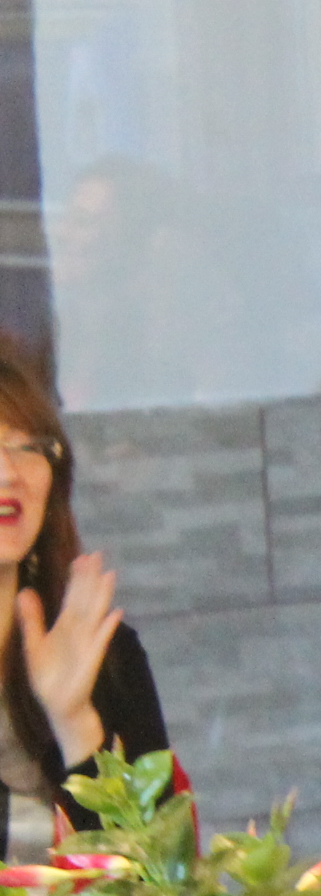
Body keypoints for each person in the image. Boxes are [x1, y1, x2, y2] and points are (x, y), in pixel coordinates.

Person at [0, 342, 167, 845]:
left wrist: (74, 723)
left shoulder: (105, 659)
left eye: (28, 446)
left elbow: (156, 880)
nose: (9, 473)